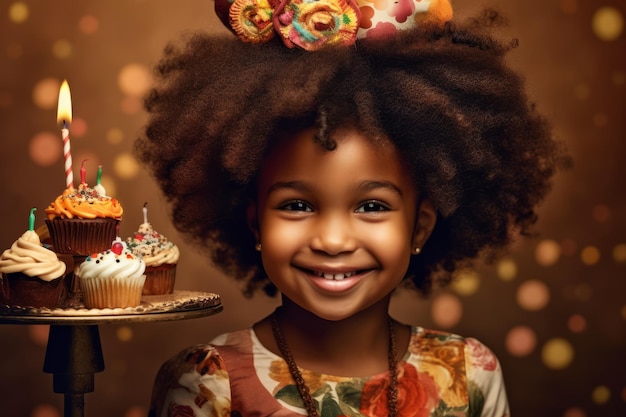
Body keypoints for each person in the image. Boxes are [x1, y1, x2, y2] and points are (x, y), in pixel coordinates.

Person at [138, 0, 569, 415]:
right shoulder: (205, 384)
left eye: (372, 205)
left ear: (419, 228)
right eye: (298, 204)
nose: (333, 240)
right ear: (255, 224)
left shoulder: (470, 373)